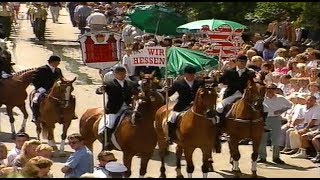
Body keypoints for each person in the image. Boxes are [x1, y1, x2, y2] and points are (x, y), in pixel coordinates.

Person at [31, 55, 77, 123]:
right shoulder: (42, 69)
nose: (58, 64)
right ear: (52, 62)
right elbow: (34, 79)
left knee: (72, 97)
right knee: (35, 99)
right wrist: (39, 88)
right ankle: (35, 116)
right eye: (57, 62)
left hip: (56, 89)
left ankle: (72, 113)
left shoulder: (58, 70)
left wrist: (67, 81)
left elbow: (62, 78)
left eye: (58, 62)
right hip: (43, 88)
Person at [102, 66, 139, 149]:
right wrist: (101, 89)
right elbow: (99, 91)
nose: (122, 75)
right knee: (110, 124)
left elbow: (137, 91)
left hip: (128, 107)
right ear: (115, 74)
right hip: (114, 108)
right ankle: (107, 142)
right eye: (120, 74)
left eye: (123, 74)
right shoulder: (109, 83)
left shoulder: (130, 83)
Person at [214, 55, 257, 124]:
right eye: (241, 61)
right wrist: (217, 76)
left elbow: (254, 84)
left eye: (244, 62)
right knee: (219, 108)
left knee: (261, 107)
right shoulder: (229, 71)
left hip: (245, 95)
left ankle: (262, 124)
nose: (242, 63)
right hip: (231, 94)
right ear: (237, 62)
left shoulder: (250, 73)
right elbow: (221, 81)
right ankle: (220, 125)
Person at [166, 66, 204, 142]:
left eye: (193, 74)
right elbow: (171, 94)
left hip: (197, 106)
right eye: (189, 74)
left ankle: (215, 137)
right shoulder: (178, 83)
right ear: (185, 74)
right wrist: (167, 90)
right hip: (182, 105)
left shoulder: (199, 82)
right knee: (172, 118)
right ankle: (170, 136)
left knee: (211, 117)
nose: (191, 76)